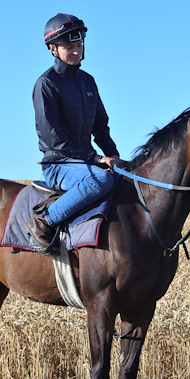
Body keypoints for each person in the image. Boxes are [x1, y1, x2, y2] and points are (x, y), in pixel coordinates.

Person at [25, 13, 125, 252]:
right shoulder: (46, 84)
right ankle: (44, 221)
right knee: (99, 180)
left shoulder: (88, 82)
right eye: (69, 47)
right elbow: (53, 139)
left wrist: (114, 156)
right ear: (53, 49)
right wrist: (97, 158)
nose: (76, 51)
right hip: (58, 164)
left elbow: (100, 127)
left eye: (79, 45)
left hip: (86, 161)